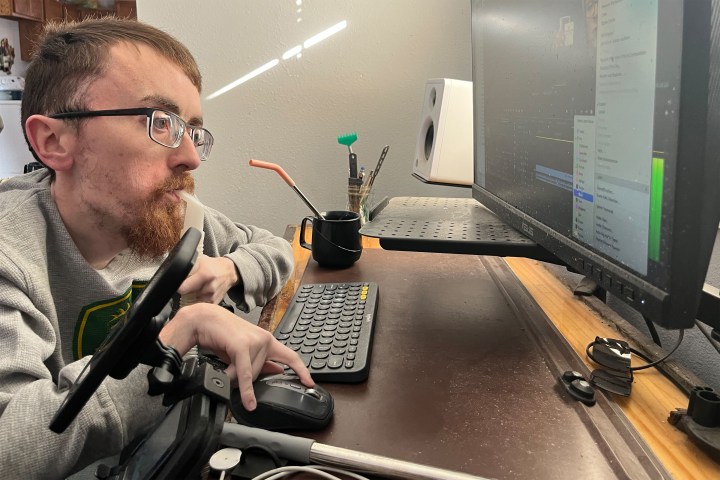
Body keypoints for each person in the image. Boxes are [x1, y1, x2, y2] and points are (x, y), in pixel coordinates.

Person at [0, 17, 313, 477]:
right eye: (159, 123)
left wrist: (231, 268)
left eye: (192, 130)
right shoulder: (12, 255)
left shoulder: (170, 216)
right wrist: (176, 339)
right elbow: (9, 448)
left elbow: (271, 248)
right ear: (53, 141)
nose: (189, 156)